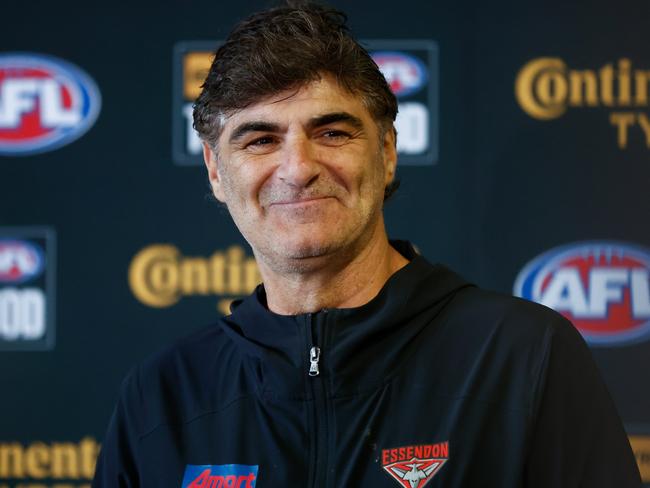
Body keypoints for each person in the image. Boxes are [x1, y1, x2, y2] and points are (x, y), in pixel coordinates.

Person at [92, 2, 642, 487]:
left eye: (332, 132)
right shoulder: (160, 397)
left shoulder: (523, 358)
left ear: (386, 152)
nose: (298, 168)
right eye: (260, 139)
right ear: (215, 170)